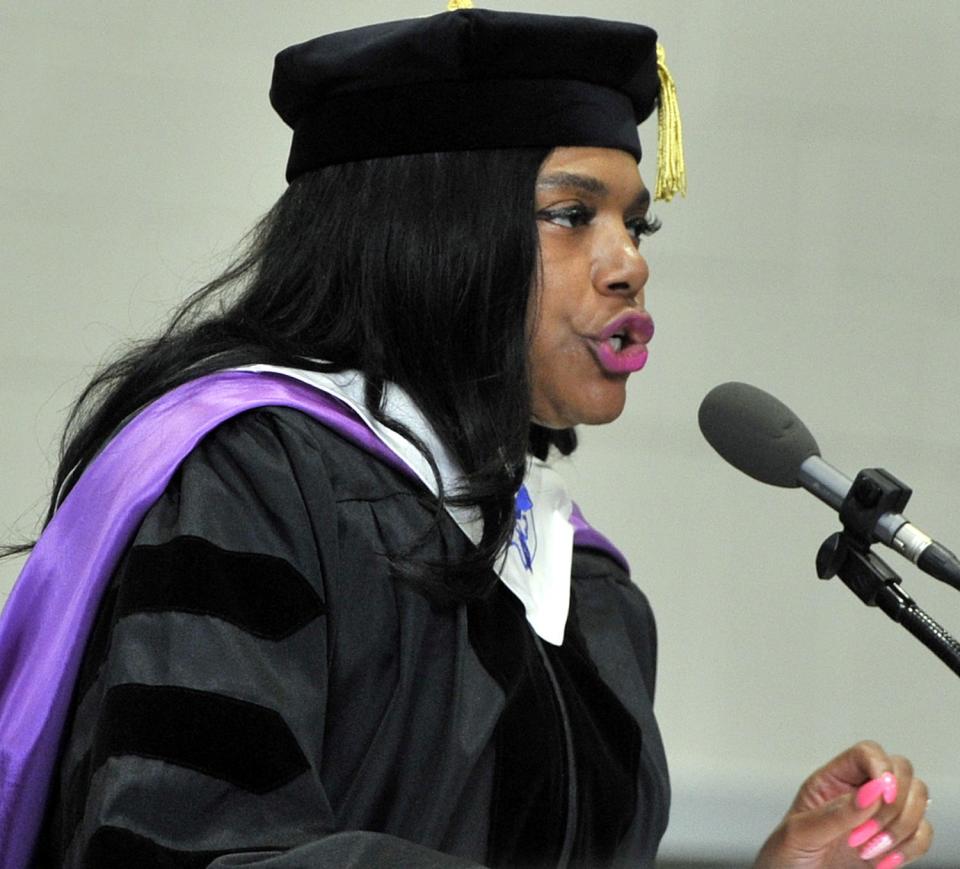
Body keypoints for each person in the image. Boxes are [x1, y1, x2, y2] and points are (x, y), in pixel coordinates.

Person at [0, 5, 933, 869]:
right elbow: (193, 848)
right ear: (427, 232)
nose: (631, 263)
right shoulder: (254, 483)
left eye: (635, 223)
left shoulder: (590, 594)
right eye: (573, 216)